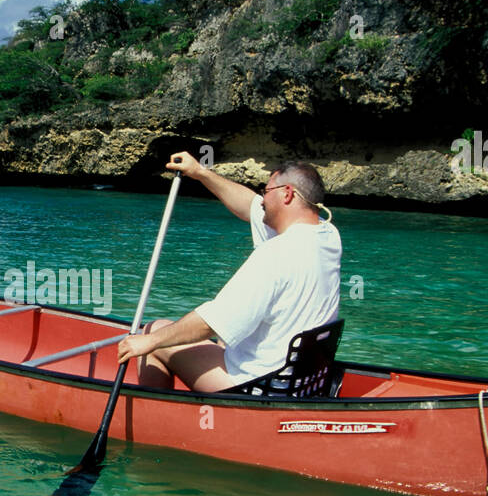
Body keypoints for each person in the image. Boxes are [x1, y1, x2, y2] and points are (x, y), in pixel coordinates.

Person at [116, 151, 341, 392]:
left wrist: (146, 342)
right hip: (301, 381)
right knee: (227, 338)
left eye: (266, 191)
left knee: (154, 331)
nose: (262, 199)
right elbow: (250, 205)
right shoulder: (328, 236)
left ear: (287, 194)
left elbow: (208, 324)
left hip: (258, 385)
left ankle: (159, 419)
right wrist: (200, 172)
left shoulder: (274, 254)